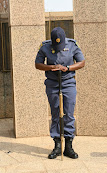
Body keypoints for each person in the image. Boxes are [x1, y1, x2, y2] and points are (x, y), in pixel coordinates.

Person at [35, 27, 85, 159]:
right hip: (52, 83)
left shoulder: (72, 44)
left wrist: (68, 68)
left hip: (68, 83)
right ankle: (57, 145)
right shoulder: (45, 46)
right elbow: (37, 64)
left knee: (68, 113)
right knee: (56, 113)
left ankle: (68, 146)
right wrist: (51, 67)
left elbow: (81, 62)